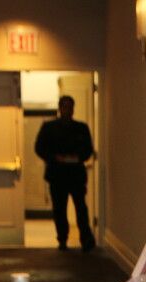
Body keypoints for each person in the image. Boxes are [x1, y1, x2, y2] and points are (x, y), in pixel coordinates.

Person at [34, 94, 96, 251]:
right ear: (60, 108)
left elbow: (88, 150)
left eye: (70, 107)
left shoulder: (81, 128)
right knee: (59, 210)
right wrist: (54, 158)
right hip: (57, 175)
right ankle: (62, 238)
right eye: (64, 107)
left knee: (81, 208)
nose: (67, 110)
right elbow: (39, 148)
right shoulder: (49, 128)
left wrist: (77, 157)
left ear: (73, 109)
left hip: (76, 175)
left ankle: (86, 238)